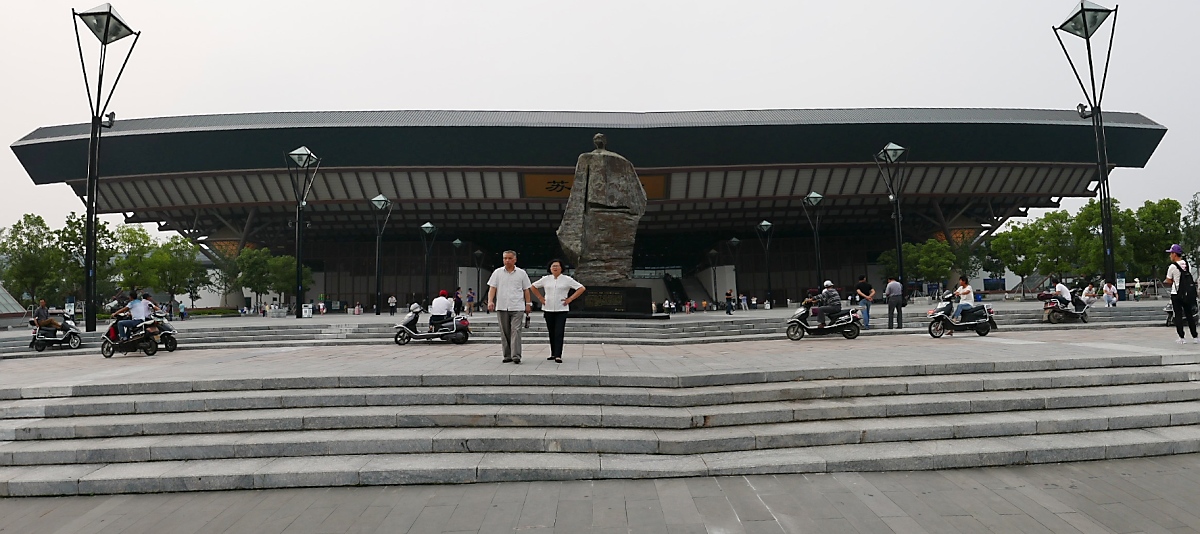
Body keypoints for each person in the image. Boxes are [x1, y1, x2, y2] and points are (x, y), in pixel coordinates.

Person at [530, 259, 586, 363]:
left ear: (561, 268)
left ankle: (558, 355)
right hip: (548, 308)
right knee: (551, 332)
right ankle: (553, 353)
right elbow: (533, 287)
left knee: (559, 332)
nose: (555, 268)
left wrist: (570, 299)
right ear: (550, 268)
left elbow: (581, 288)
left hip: (561, 309)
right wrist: (540, 298)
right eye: (553, 266)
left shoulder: (567, 279)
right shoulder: (546, 279)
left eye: (557, 266)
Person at [487, 250, 533, 364]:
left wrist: (528, 304)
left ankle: (516, 355)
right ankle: (507, 355)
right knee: (505, 331)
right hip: (502, 306)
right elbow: (492, 288)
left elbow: (526, 289)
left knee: (516, 330)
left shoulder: (521, 273)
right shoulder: (497, 272)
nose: (507, 260)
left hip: (517, 306)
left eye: (509, 258)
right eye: (505, 258)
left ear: (515, 259)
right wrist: (490, 301)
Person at [1164, 244, 1198, 344]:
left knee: (1178, 315)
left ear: (1175, 254)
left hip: (1176, 294)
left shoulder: (1172, 267)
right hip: (1187, 293)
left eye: (1171, 253)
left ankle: (1182, 338)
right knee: (1189, 315)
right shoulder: (1188, 265)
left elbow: (1169, 280)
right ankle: (1195, 336)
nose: (1170, 255)